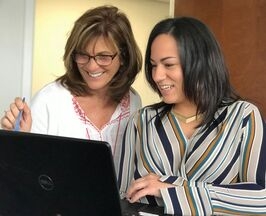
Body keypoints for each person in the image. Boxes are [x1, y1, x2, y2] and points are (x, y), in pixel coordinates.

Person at [118, 17, 266, 215]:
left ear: (200, 62)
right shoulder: (142, 121)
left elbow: (260, 199)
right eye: (153, 65)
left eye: (168, 65)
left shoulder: (243, 116)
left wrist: (172, 189)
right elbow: (122, 196)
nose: (157, 75)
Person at [1, 5, 143, 172]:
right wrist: (15, 141)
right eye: (83, 55)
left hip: (117, 199)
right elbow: (24, 174)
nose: (91, 66)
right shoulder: (49, 100)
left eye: (103, 57)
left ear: (124, 57)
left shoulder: (133, 101)